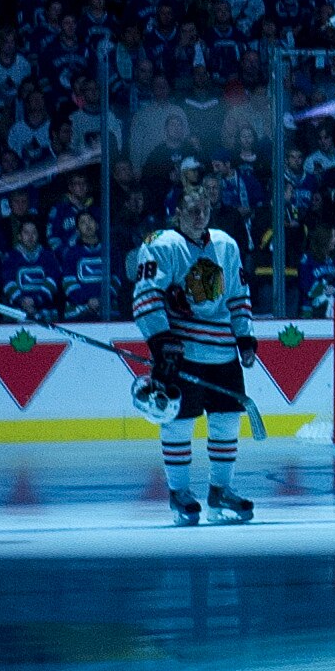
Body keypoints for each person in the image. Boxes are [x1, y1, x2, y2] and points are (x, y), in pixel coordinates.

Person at [130, 170, 257, 525]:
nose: (199, 216)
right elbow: (146, 296)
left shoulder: (226, 245)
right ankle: (179, 493)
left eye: (204, 209)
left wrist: (244, 336)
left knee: (228, 420)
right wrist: (160, 341)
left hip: (221, 352)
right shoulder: (160, 244)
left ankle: (220, 490)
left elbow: (238, 296)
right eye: (191, 210)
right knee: (178, 423)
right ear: (177, 214)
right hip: (180, 353)